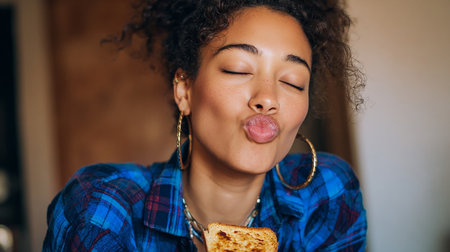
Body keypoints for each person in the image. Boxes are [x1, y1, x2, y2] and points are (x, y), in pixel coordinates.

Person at [43, 0, 367, 251]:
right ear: (185, 90)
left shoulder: (328, 193)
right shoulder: (100, 205)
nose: (268, 98)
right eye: (238, 69)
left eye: (293, 82)